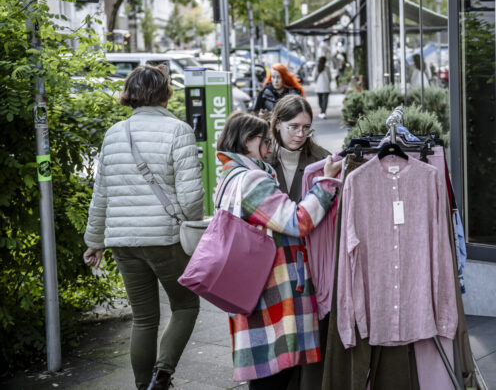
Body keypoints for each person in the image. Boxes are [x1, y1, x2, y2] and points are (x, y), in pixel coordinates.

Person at [83, 65, 204, 390]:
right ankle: (162, 374)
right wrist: (192, 221)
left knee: (144, 318)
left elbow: (101, 194)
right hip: (165, 239)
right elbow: (192, 198)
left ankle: (142, 387)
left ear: (130, 92)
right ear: (165, 93)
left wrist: (94, 240)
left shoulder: (114, 133)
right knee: (185, 305)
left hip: (123, 243)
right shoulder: (178, 130)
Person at [214, 110, 342, 390]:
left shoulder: (229, 175)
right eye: (263, 140)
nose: (270, 147)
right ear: (246, 141)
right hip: (269, 285)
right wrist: (326, 182)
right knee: (273, 369)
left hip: (249, 281)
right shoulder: (251, 180)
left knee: (266, 368)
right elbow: (298, 221)